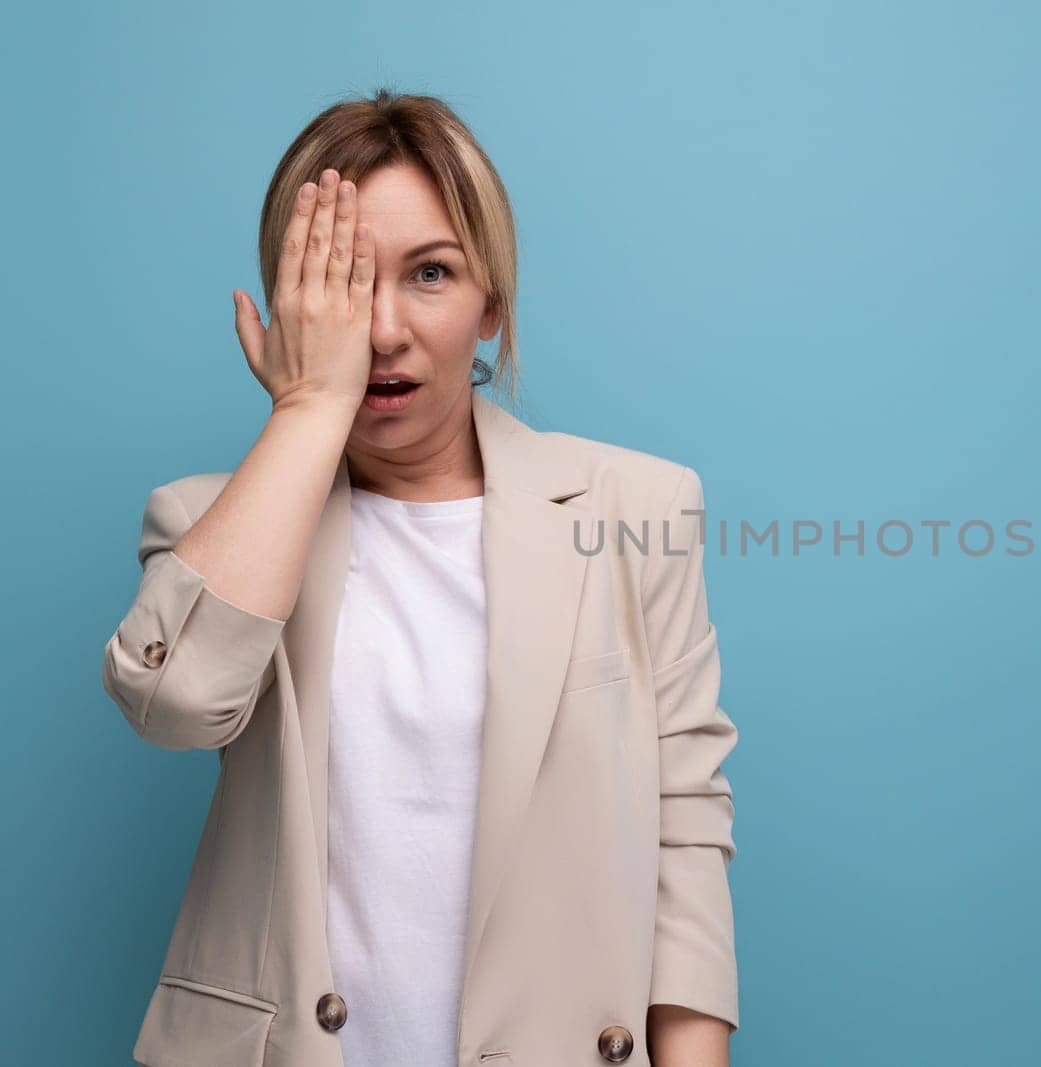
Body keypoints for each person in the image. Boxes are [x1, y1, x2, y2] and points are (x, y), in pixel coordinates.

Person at [101, 89, 739, 1067]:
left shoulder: (635, 510)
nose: (385, 327)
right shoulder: (208, 521)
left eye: (431, 273)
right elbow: (176, 705)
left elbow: (684, 824)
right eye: (346, 279)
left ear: (493, 302)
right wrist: (312, 403)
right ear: (294, 299)